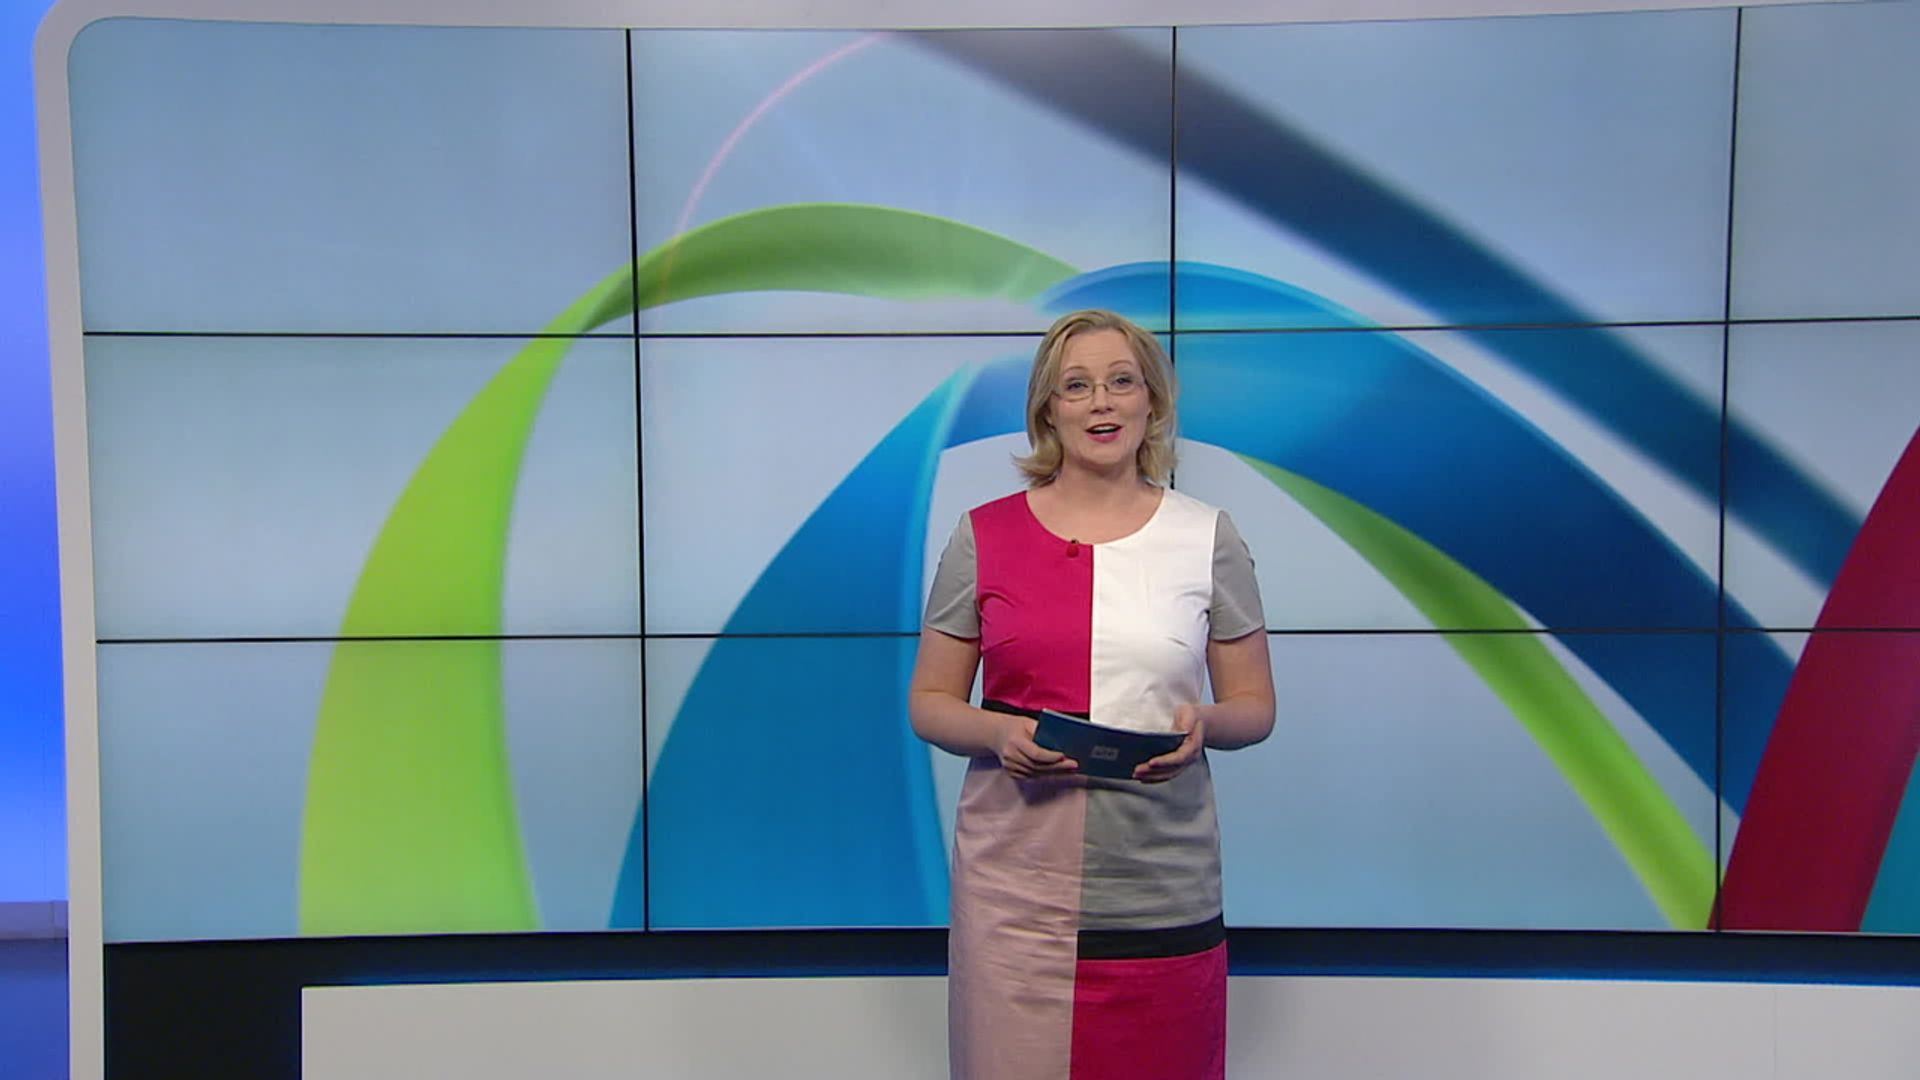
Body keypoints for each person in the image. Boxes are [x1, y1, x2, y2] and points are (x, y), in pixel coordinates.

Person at [909, 309, 1276, 1080]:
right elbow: (931, 701)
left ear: (1152, 402)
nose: (1101, 402)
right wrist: (998, 734)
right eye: (1076, 386)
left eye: (1121, 382)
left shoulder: (1208, 537)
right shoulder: (982, 535)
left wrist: (1204, 723)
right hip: (1016, 893)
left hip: (1162, 884)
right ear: (1048, 409)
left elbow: (1255, 708)